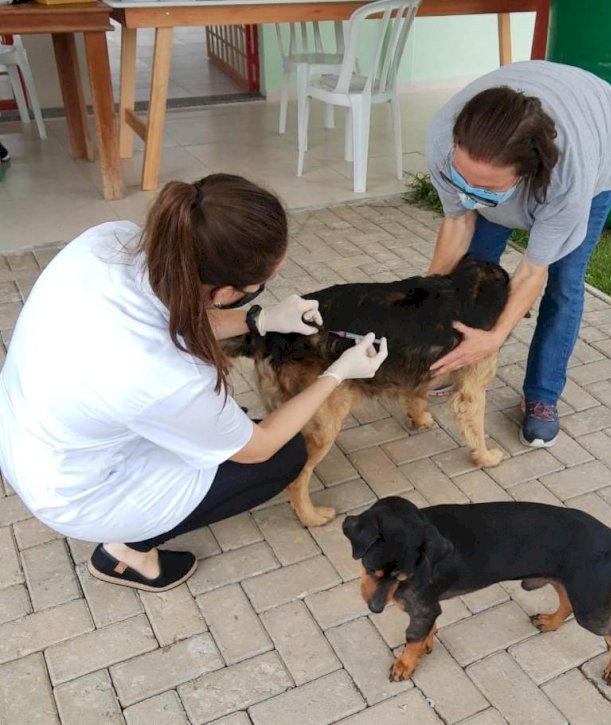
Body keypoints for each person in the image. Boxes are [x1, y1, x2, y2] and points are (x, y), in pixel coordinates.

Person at [0, 173, 387, 592]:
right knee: (285, 454)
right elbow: (260, 447)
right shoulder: (166, 377)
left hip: (29, 428)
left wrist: (262, 318)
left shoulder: (110, 240)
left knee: (223, 424)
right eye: (259, 288)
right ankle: (128, 553)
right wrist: (339, 373)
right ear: (222, 291)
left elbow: (172, 310)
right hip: (71, 491)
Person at [426, 60, 611, 448]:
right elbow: (458, 223)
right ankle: (455, 362)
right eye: (461, 178)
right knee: (474, 266)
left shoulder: (567, 182)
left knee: (565, 280)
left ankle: (542, 395)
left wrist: (495, 336)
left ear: (525, 174)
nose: (468, 194)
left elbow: (532, 272)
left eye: (485, 188)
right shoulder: (442, 141)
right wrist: (423, 304)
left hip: (604, 133)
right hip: (523, 124)